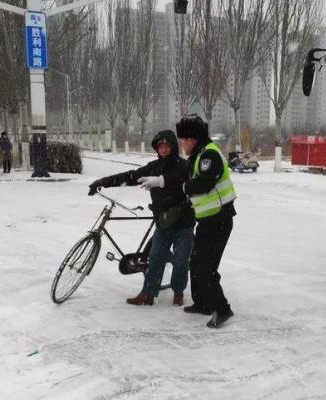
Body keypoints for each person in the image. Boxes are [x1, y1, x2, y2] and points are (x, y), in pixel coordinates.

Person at [88, 130, 195, 306]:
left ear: (173, 146)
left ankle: (178, 293)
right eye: (160, 145)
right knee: (155, 258)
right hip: (163, 221)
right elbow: (131, 176)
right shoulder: (153, 166)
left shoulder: (184, 166)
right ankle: (148, 294)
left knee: (181, 261)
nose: (163, 148)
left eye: (166, 145)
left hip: (184, 222)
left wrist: (161, 180)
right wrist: (103, 181)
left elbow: (181, 180)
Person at [176, 114, 237, 328]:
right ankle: (202, 303)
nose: (182, 144)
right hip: (207, 220)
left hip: (219, 220)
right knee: (197, 262)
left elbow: (203, 184)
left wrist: (184, 189)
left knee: (205, 267)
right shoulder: (199, 154)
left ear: (193, 138)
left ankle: (222, 309)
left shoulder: (208, 155)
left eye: (184, 139)